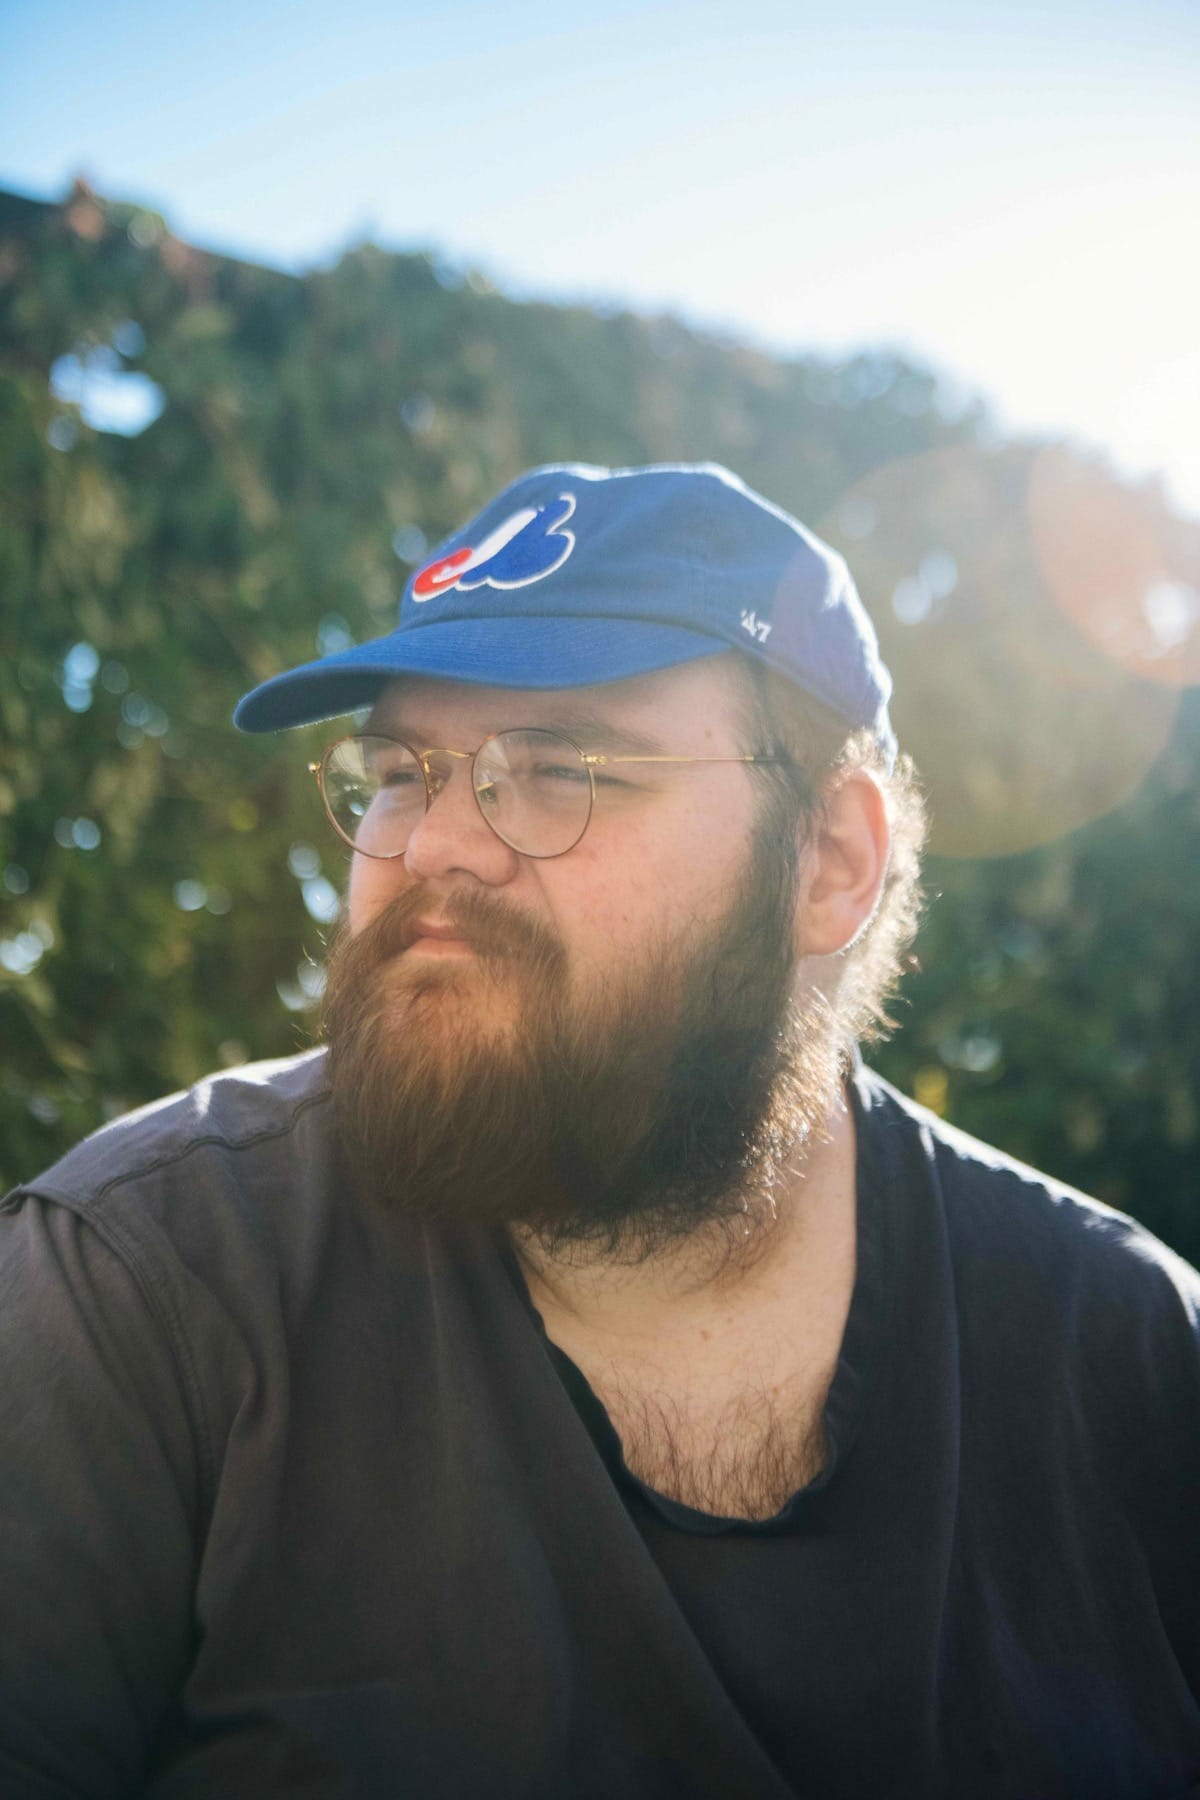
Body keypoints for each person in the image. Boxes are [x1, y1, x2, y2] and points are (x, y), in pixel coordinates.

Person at [2, 463, 1198, 1800]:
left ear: (832, 863)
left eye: (560, 766)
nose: (435, 845)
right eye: (401, 770)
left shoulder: (1130, 1354)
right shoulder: (150, 1284)